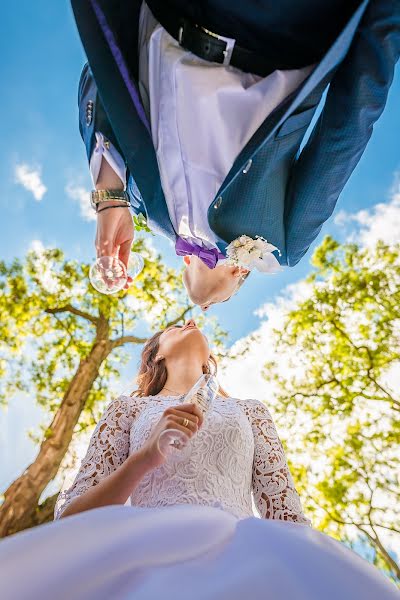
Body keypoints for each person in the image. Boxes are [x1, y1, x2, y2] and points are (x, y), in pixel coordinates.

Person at [0, 319, 398, 599]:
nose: (189, 321)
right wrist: (144, 458)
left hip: (247, 559)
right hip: (142, 556)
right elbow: (71, 519)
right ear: (155, 356)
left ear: (210, 359)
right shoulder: (127, 410)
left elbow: (287, 516)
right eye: (173, 328)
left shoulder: (250, 410)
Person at [72, 0, 399, 309]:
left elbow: (100, 79)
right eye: (219, 302)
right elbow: (343, 134)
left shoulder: (143, 207)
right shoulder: (280, 249)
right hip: (275, 27)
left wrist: (110, 199)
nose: (206, 307)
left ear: (185, 260)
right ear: (241, 273)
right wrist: (387, 18)